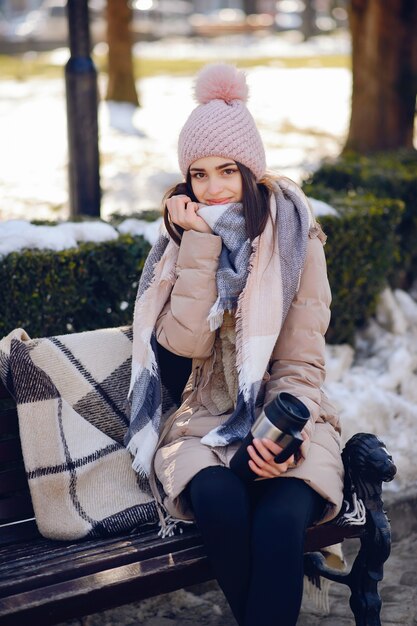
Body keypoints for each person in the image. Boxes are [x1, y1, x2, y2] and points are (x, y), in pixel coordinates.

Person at [126, 63, 344, 626]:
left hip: (285, 420)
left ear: (252, 170)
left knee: (277, 522)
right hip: (204, 423)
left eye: (227, 170)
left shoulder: (297, 242)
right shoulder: (180, 244)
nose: (214, 188)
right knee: (220, 501)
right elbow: (182, 347)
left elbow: (301, 361)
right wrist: (198, 243)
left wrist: (286, 439)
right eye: (198, 174)